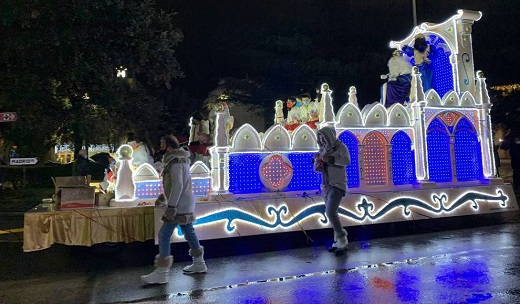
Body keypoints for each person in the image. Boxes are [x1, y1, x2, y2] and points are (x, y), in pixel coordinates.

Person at [141, 135, 207, 285]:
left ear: (168, 146)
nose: (160, 145)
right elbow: (174, 185)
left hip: (180, 204)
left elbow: (177, 185)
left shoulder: (176, 162)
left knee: (164, 234)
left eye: (162, 143)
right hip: (185, 201)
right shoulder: (178, 160)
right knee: (188, 231)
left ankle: (162, 272)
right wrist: (163, 198)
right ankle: (199, 263)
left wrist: (171, 207)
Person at [313, 127, 351, 254]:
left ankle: (342, 237)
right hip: (325, 185)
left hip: (337, 184)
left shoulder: (341, 147)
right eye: (320, 137)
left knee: (330, 213)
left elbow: (346, 161)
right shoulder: (323, 149)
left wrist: (330, 160)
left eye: (324, 136)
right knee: (333, 214)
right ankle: (338, 242)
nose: (322, 139)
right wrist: (317, 161)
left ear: (329, 135)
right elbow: (319, 169)